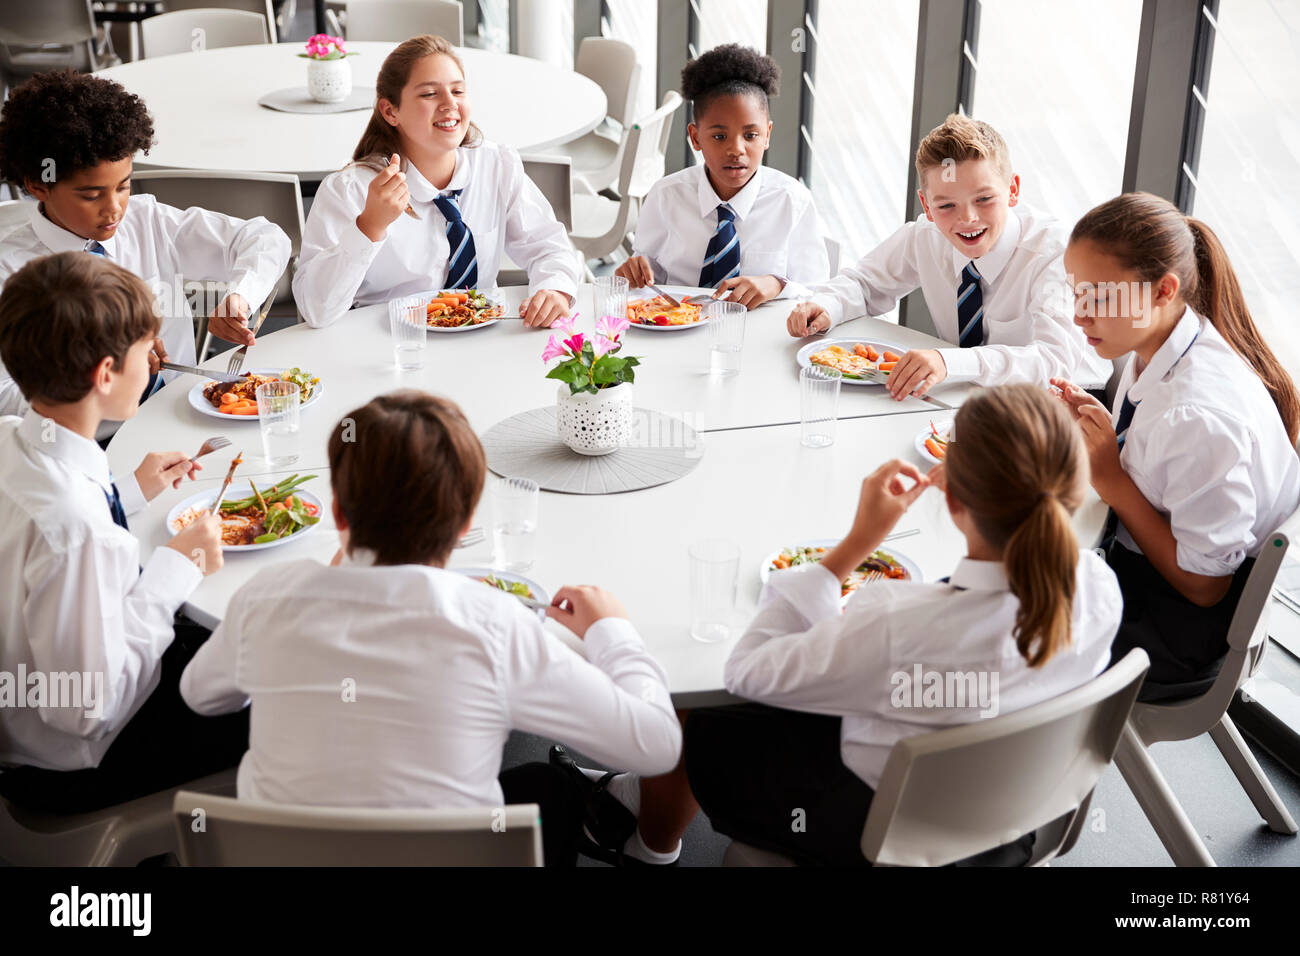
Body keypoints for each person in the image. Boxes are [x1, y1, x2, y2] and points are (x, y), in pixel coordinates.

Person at [591, 385, 1122, 866]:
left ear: (953, 498)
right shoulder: (1101, 588)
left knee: (699, 707)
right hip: (1012, 816)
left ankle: (646, 845)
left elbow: (747, 671)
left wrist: (852, 548)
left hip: (876, 827)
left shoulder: (901, 622)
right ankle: (640, 802)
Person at [179, 391, 682, 866]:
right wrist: (611, 630)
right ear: (465, 527)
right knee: (550, 787)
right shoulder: (494, 625)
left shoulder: (264, 597)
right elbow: (657, 744)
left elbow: (200, 696)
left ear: (336, 512)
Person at [0, 253, 244, 814]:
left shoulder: (15, 438)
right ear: (105, 374)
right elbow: (89, 707)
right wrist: (176, 568)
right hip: (77, 763)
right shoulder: (81, 535)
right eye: (145, 352)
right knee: (275, 686)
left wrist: (128, 492)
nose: (155, 361)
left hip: (24, 719)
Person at [1052, 192, 1300, 699]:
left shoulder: (1195, 414)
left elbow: (1205, 587)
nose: (1079, 317)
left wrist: (1115, 482)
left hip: (1172, 627)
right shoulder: (1164, 347)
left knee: (992, 621)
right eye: (1076, 293)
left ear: (1164, 290)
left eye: (1098, 298)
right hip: (1145, 576)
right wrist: (1105, 439)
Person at [0, 69, 291, 419]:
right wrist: (100, 378)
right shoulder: (10, 273)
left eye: (123, 186)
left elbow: (266, 238)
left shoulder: (146, 221)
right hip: (92, 444)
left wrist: (240, 294)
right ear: (38, 186)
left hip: (186, 413)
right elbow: (5, 398)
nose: (113, 209)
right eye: (91, 195)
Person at [787, 114, 1111, 401]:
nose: (967, 218)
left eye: (984, 199)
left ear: (1013, 190)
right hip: (970, 399)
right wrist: (827, 305)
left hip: (1066, 402)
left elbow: (1054, 360)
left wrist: (950, 362)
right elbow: (864, 283)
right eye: (946, 206)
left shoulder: (1054, 252)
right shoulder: (925, 236)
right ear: (926, 206)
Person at [293, 34, 580, 330]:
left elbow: (549, 245)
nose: (449, 104)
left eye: (458, 91)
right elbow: (315, 309)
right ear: (391, 111)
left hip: (479, 343)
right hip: (388, 349)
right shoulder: (350, 190)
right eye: (429, 94)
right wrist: (369, 227)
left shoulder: (496, 165)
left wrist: (555, 288)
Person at [616, 43, 829, 309]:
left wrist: (777, 285)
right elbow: (650, 279)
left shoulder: (792, 202)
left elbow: (818, 293)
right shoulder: (666, 195)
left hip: (759, 337)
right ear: (695, 137)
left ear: (767, 135)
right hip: (677, 330)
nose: (736, 150)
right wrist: (637, 271)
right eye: (719, 136)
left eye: (751, 135)